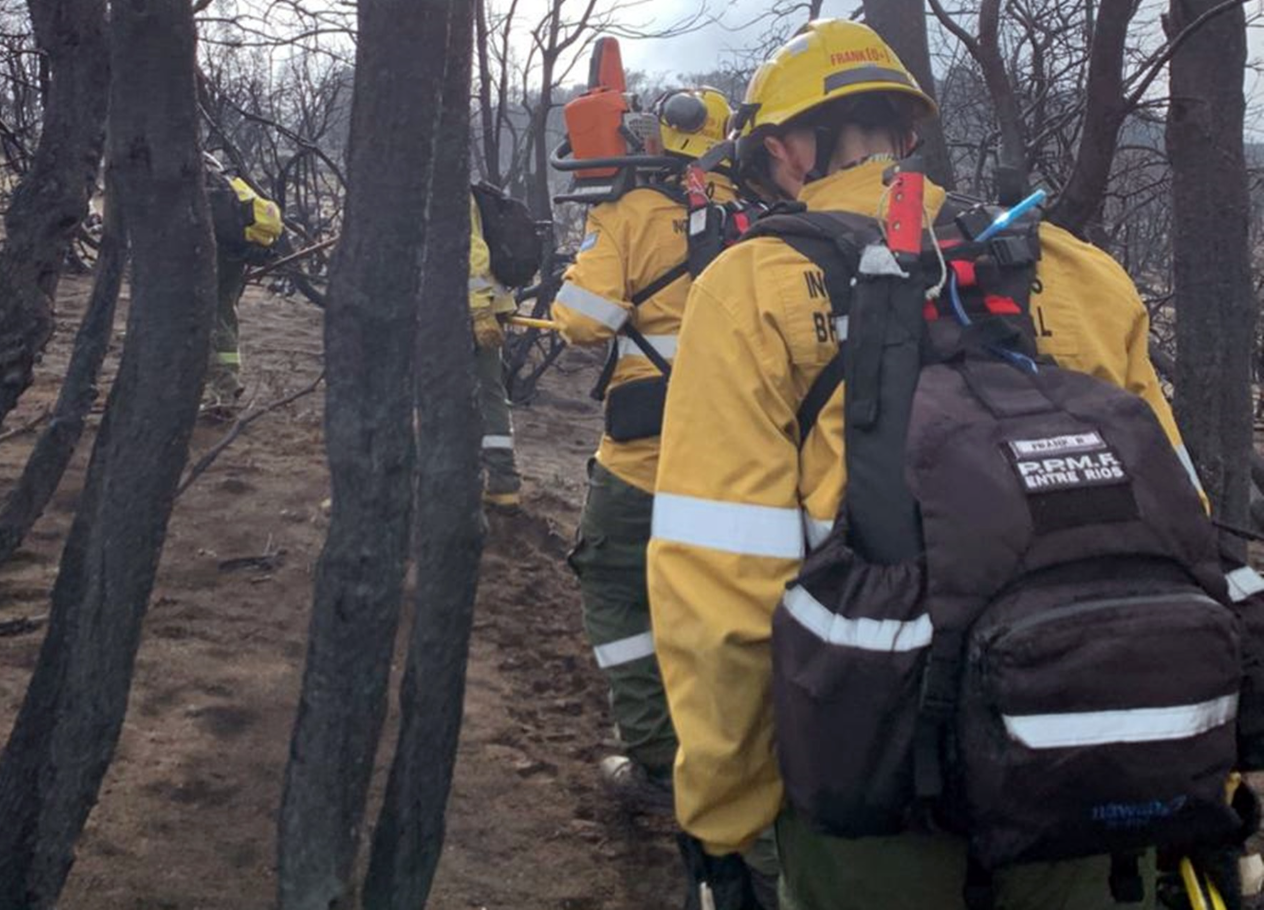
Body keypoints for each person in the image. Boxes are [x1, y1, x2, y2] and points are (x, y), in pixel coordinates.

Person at [647, 19, 1195, 909]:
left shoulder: (749, 288)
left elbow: (722, 589)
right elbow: (1183, 523)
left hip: (876, 783)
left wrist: (724, 811)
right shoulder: (1075, 269)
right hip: (1093, 763)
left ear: (781, 147)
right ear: (908, 132)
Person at [551, 86, 744, 810]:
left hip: (644, 462)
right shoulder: (763, 214)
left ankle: (657, 760)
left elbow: (582, 322)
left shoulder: (629, 212)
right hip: (741, 460)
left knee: (616, 589)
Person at [200, 154, 283, 416]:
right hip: (236, 255)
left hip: (213, 255)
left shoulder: (199, 181)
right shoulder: (229, 186)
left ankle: (225, 384)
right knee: (224, 314)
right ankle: (226, 385)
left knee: (193, 318)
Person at [470, 190, 523, 510]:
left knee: (485, 393)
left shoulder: (446, 189)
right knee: (488, 392)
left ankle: (501, 480)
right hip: (484, 304)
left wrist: (478, 311)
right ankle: (501, 483)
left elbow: (472, 250)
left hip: (473, 308)